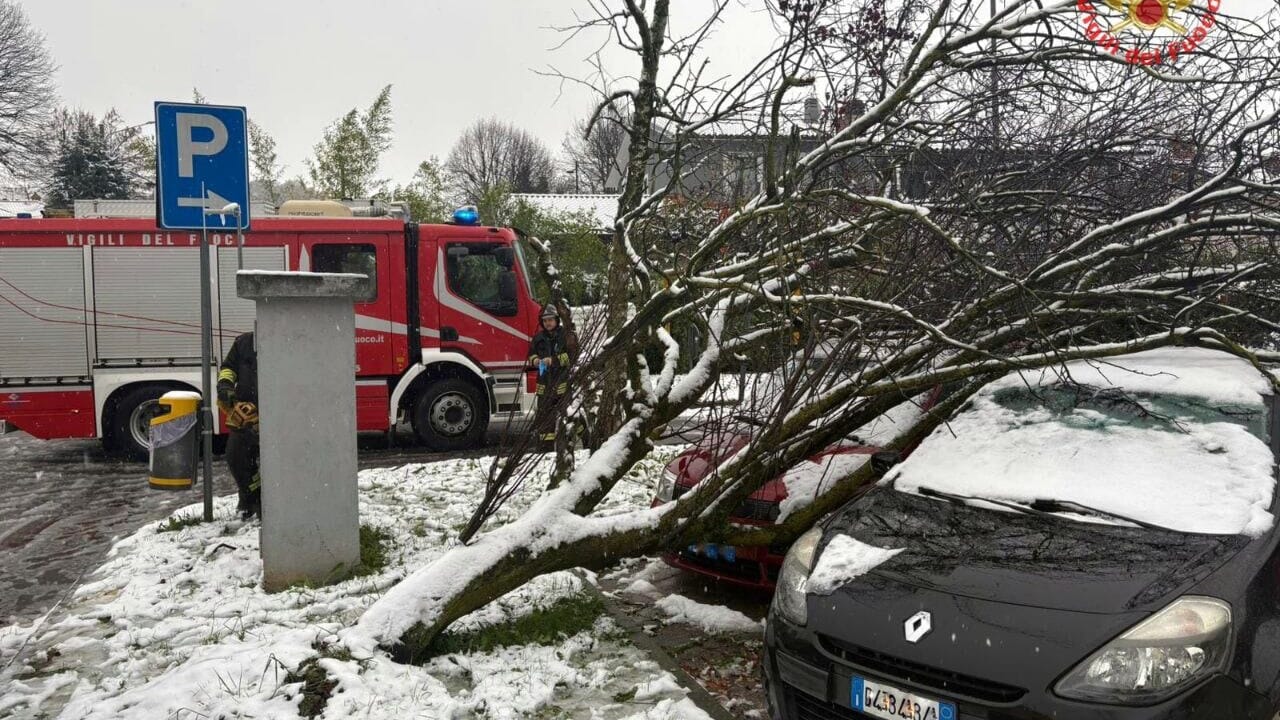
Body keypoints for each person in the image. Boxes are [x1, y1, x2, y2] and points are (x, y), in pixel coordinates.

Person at [217, 331, 261, 519]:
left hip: (279, 413)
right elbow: (228, 368)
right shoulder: (243, 342)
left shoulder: (284, 339)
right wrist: (225, 386)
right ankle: (252, 499)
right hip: (246, 414)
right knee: (236, 457)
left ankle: (264, 502)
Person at [527, 304, 574, 445]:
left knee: (568, 412)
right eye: (545, 320)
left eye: (550, 320)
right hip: (544, 383)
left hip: (561, 380)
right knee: (545, 416)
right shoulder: (538, 338)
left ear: (557, 320)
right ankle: (545, 447)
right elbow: (531, 354)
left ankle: (582, 439)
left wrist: (553, 361)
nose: (548, 323)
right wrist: (535, 360)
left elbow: (572, 356)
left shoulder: (564, 336)